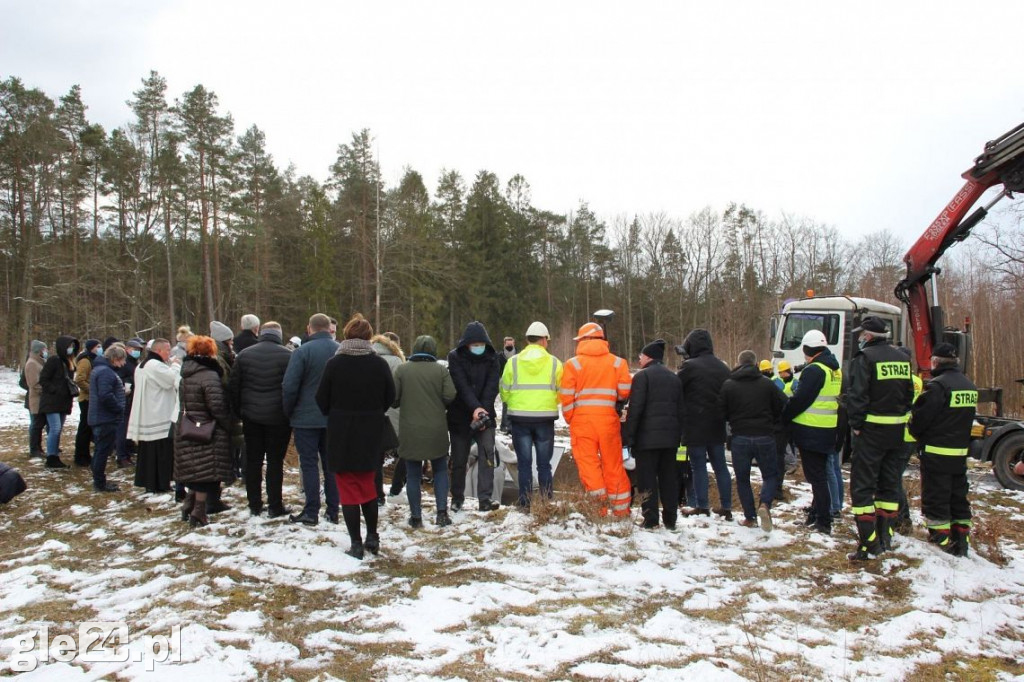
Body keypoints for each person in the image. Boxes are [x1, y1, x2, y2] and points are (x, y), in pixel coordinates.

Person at [317, 314, 396, 559]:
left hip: (341, 431)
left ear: (346, 335)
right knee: (368, 485)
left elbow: (321, 399)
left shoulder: (335, 364)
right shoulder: (379, 364)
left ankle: (356, 543)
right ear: (369, 337)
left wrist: (337, 411)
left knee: (348, 490)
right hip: (370, 431)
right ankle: (373, 536)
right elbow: (390, 397)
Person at [844, 316, 914, 560]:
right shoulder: (903, 359)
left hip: (871, 432)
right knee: (889, 486)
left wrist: (857, 425)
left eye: (862, 334)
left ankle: (868, 544)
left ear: (869, 336)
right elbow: (909, 395)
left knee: (862, 488)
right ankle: (885, 539)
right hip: (896, 434)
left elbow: (857, 394)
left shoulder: (865, 359)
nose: (860, 337)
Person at [909, 343, 978, 557]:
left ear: (935, 362)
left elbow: (921, 419)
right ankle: (961, 543)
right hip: (958, 454)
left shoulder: (937, 386)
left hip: (936, 453)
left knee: (937, 500)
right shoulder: (969, 386)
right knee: (958, 500)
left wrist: (914, 432)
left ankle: (941, 545)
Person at [560, 322, 632, 517]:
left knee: (589, 465)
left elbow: (566, 396)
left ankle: (597, 509)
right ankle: (621, 510)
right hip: (609, 421)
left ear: (583, 340)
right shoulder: (618, 363)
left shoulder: (573, 364)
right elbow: (625, 392)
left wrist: (570, 418)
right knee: (614, 465)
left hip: (582, 423)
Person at [228, 321, 293, 517]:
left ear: (261, 333)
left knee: (254, 461)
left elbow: (234, 386)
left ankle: (254, 503)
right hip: (278, 418)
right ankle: (275, 505)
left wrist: (240, 410)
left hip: (251, 417)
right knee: (275, 461)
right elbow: (290, 387)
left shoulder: (245, 355)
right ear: (279, 335)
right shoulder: (287, 356)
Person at [393, 335, 457, 527]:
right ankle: (442, 514)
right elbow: (450, 394)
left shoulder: (402, 370)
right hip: (436, 429)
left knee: (412, 474)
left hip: (410, 430)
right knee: (439, 471)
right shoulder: (440, 370)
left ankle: (415, 517)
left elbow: (394, 398)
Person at [781, 330, 841, 535]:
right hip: (826, 429)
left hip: (811, 431)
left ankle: (823, 521)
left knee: (817, 477)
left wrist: (785, 415)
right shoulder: (833, 369)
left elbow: (801, 400)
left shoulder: (815, 370)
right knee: (821, 475)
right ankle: (816, 514)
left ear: (807, 348)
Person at [282, 313, 340, 525]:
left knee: (309, 464)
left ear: (309, 328)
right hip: (333, 417)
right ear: (329, 328)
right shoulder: (340, 350)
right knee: (331, 464)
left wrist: (289, 412)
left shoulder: (302, 352)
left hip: (305, 417)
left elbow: (289, 386)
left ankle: (311, 510)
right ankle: (333, 510)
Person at [720, 350, 786, 531]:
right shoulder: (767, 384)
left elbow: (722, 412)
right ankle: (764, 504)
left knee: (742, 478)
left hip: (740, 437)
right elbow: (783, 404)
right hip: (765, 436)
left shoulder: (729, 385)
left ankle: (750, 517)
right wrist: (772, 421)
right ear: (756, 364)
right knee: (770, 475)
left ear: (739, 363)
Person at [500, 321, 563, 508]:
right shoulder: (555, 363)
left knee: (524, 464)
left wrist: (514, 404)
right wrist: (549, 403)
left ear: (527, 340)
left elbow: (504, 390)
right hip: (545, 419)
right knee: (544, 465)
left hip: (520, 419)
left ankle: (525, 502)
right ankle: (545, 502)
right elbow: (562, 391)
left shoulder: (513, 362)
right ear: (544, 340)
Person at [175, 335, 234, 527]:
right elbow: (216, 405)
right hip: (207, 430)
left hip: (188, 426)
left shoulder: (187, 372)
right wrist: (228, 423)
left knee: (195, 468)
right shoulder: (209, 375)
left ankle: (188, 505)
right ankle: (198, 511)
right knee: (206, 472)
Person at [624, 339, 682, 529]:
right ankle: (670, 519)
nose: (639, 359)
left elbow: (636, 409)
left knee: (647, 480)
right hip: (670, 439)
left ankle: (650, 519)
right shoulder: (674, 378)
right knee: (668, 479)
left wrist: (629, 436)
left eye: (640, 356)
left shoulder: (642, 377)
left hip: (647, 440)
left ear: (648, 357)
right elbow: (681, 409)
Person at [676, 328, 732, 519]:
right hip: (717, 424)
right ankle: (726, 506)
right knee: (720, 466)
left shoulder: (689, 367)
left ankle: (702, 505)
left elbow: (677, 389)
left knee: (698, 466)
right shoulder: (723, 367)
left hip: (694, 424)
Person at [446, 321, 501, 513]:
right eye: (474, 344)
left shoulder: (493, 358)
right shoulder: (455, 357)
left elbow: (492, 386)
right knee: (459, 459)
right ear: (467, 344)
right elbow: (461, 385)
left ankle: (485, 498)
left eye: (481, 344)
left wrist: (483, 412)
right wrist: (475, 408)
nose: (478, 347)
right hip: (460, 416)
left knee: (487, 457)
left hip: (485, 416)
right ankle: (457, 497)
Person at [128, 338, 182, 494]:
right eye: (167, 350)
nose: (169, 353)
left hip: (149, 412)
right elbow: (172, 380)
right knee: (161, 452)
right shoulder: (156, 366)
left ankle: (151, 482)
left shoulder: (143, 365)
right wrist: (176, 365)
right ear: (158, 350)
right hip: (158, 413)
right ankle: (160, 482)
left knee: (149, 452)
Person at [88, 344, 127, 492]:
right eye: (122, 360)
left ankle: (99, 479)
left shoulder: (100, 369)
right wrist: (118, 408)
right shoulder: (106, 372)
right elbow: (105, 395)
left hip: (101, 417)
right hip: (105, 418)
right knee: (102, 451)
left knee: (100, 450)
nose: (123, 364)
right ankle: (99, 483)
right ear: (115, 359)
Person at [371, 332, 405, 502]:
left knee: (376, 457)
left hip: (372, 413)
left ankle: (377, 494)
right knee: (404, 452)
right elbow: (400, 390)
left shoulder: (367, 358)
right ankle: (396, 488)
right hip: (394, 412)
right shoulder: (397, 362)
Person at [38, 334, 80, 469]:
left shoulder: (70, 363)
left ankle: (54, 454)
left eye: (72, 347)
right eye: (69, 346)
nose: (71, 349)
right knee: (55, 429)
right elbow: (43, 379)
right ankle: (51, 457)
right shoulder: (53, 361)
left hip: (63, 401)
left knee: (58, 429)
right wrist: (54, 389)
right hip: (52, 401)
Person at [895, 346, 924, 534]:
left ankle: (903, 519)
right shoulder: (917, 381)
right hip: (911, 434)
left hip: (899, 434)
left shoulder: (900, 380)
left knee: (893, 479)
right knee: (895, 477)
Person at [73, 339, 101, 467]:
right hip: (86, 398)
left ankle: (85, 454)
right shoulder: (85, 360)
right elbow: (79, 379)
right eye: (97, 346)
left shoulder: (94, 359)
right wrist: (92, 389)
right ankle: (80, 455)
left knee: (88, 428)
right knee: (84, 428)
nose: (100, 349)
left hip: (92, 398)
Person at [24, 340, 48, 459]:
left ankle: (38, 447)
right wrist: (46, 390)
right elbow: (34, 383)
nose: (46, 352)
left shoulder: (39, 362)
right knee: (36, 425)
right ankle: (34, 449)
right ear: (39, 351)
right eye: (44, 350)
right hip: (36, 399)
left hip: (41, 399)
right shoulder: (32, 363)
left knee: (39, 424)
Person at [499, 335, 517, 432]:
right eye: (507, 343)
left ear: (514, 343)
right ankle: (504, 425)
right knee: (505, 405)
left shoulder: (519, 355)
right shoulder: (500, 356)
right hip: (504, 383)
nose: (509, 344)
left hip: (517, 383)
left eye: (511, 342)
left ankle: (513, 425)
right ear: (504, 344)